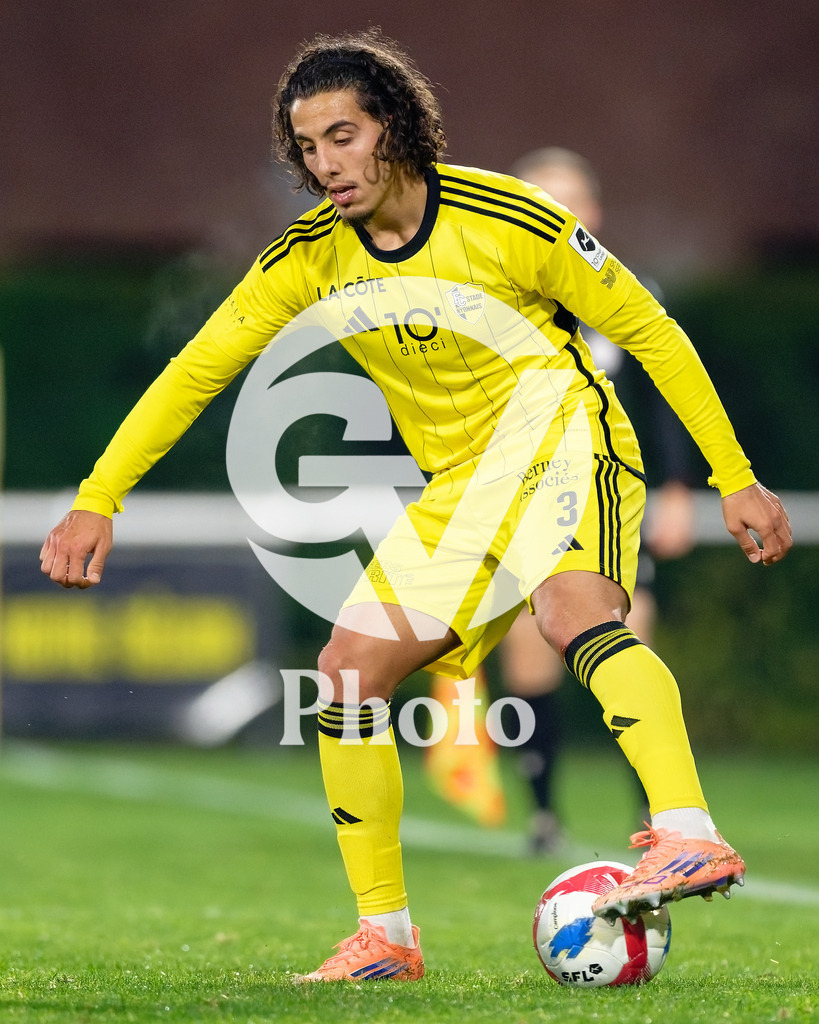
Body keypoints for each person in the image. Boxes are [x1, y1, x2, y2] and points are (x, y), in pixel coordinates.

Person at [40, 29, 792, 983]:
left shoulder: (508, 218)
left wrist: (732, 475)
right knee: (347, 671)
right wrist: (96, 499)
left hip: (570, 447)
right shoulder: (308, 259)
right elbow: (195, 374)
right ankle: (387, 938)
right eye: (307, 148)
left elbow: (648, 328)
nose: (325, 165)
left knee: (568, 613)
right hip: (460, 493)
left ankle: (688, 831)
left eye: (342, 136)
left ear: (393, 124)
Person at [426, 147, 697, 853]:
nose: (556, 210)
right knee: (530, 657)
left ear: (593, 212)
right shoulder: (486, 295)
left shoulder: (623, 292)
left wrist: (675, 489)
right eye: (541, 198)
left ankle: (658, 815)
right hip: (519, 502)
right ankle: (544, 815)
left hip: (610, 496)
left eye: (568, 199)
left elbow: (659, 396)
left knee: (629, 643)